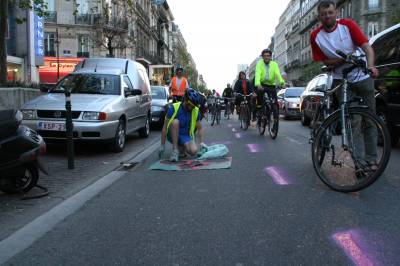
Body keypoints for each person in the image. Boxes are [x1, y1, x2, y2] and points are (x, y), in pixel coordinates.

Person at [310, 0, 379, 171]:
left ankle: (372, 159)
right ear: (319, 17)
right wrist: (344, 59)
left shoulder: (348, 26)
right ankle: (360, 163)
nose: (327, 16)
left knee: (370, 119)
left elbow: (367, 47)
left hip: (362, 75)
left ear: (336, 12)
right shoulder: (315, 36)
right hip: (341, 80)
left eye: (330, 12)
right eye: (324, 14)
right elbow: (326, 61)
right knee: (353, 121)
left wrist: (371, 66)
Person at [159, 88, 205, 162]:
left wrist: (202, 143)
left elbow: (200, 128)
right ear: (185, 100)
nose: (191, 107)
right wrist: (162, 145)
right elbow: (164, 128)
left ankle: (181, 148)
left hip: (185, 135)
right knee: (175, 122)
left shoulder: (195, 111)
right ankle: (175, 150)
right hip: (172, 133)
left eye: (193, 106)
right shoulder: (174, 108)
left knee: (193, 151)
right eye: (189, 104)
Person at [254, 49, 285, 123]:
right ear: (262, 57)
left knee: (275, 103)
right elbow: (257, 74)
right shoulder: (259, 64)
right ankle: (260, 114)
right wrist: (258, 84)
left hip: (271, 85)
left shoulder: (274, 64)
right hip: (262, 84)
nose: (266, 57)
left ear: (270, 56)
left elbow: (277, 74)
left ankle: (275, 120)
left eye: (268, 56)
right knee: (259, 99)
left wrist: (282, 83)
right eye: (264, 56)